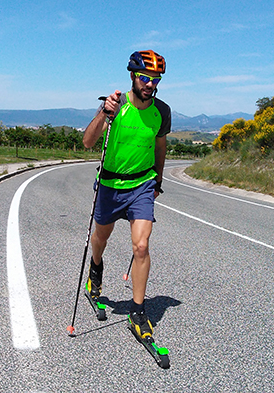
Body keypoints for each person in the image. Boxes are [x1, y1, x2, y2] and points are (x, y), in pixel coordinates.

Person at [82, 49, 171, 342]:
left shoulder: (163, 112)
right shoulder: (115, 106)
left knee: (141, 246)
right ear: (133, 76)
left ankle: (137, 311)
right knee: (100, 239)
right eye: (146, 77)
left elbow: (160, 148)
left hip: (141, 185)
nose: (150, 84)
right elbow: (87, 142)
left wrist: (157, 180)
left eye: (155, 79)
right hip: (110, 184)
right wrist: (103, 114)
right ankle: (95, 271)